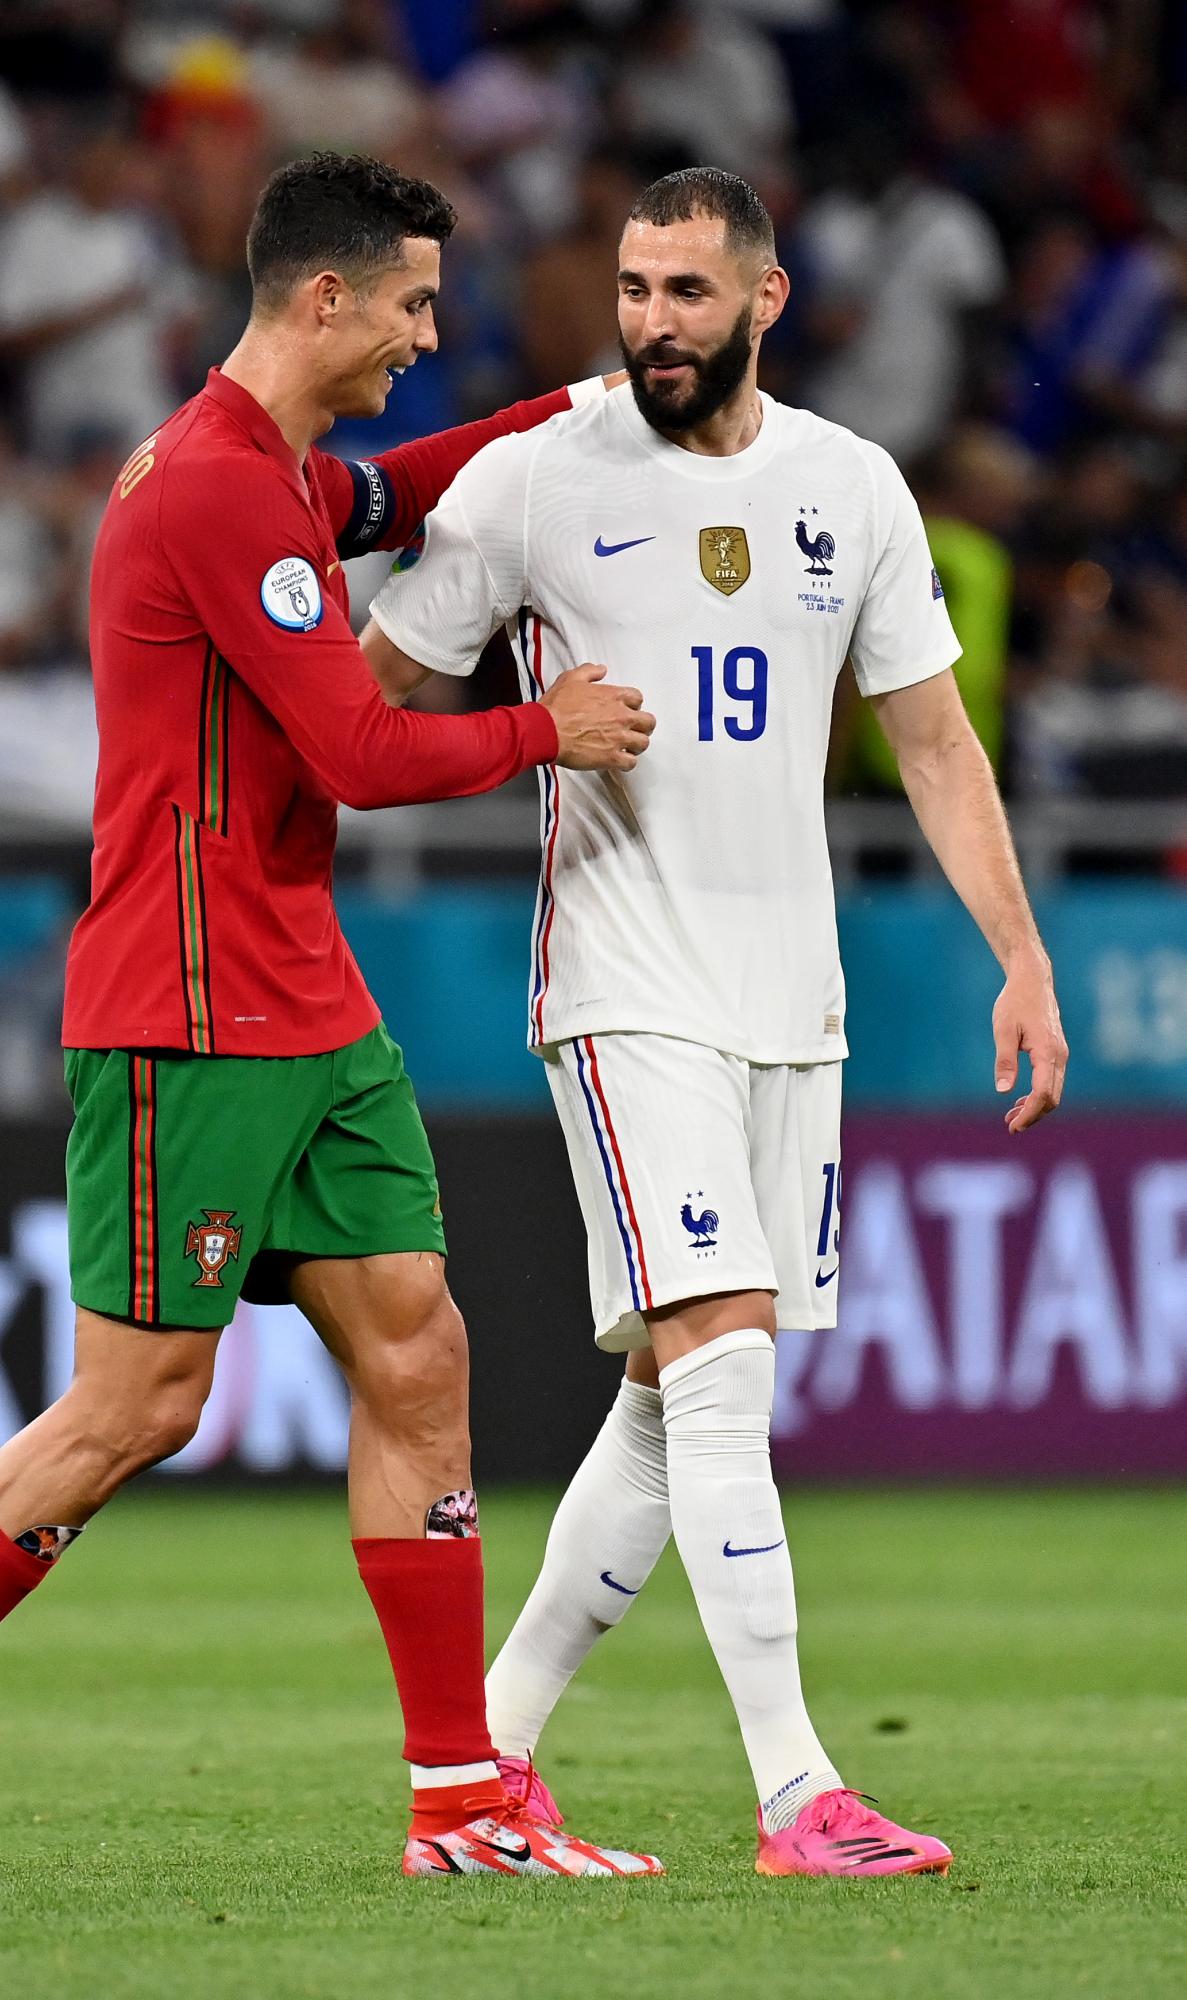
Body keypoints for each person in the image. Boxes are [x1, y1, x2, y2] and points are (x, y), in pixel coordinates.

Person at [0, 151, 661, 1887]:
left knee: (422, 1349)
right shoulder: (210, 493)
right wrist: (546, 726)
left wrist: (571, 409)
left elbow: (390, 497)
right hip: (189, 1005)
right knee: (138, 1406)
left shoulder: (263, 471)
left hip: (303, 992)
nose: (426, 330)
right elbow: (357, 751)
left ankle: (458, 1796)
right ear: (321, 297)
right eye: (409, 302)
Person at [363, 165, 1069, 1880]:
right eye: (631, 289)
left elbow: (934, 741)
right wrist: (524, 734)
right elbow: (372, 702)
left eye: (685, 292)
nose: (650, 324)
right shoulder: (538, 478)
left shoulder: (854, 485)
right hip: (623, 986)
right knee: (728, 1363)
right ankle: (796, 1794)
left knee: (676, 1415)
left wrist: (1020, 955)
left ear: (764, 297)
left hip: (793, 1001)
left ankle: (483, 1772)